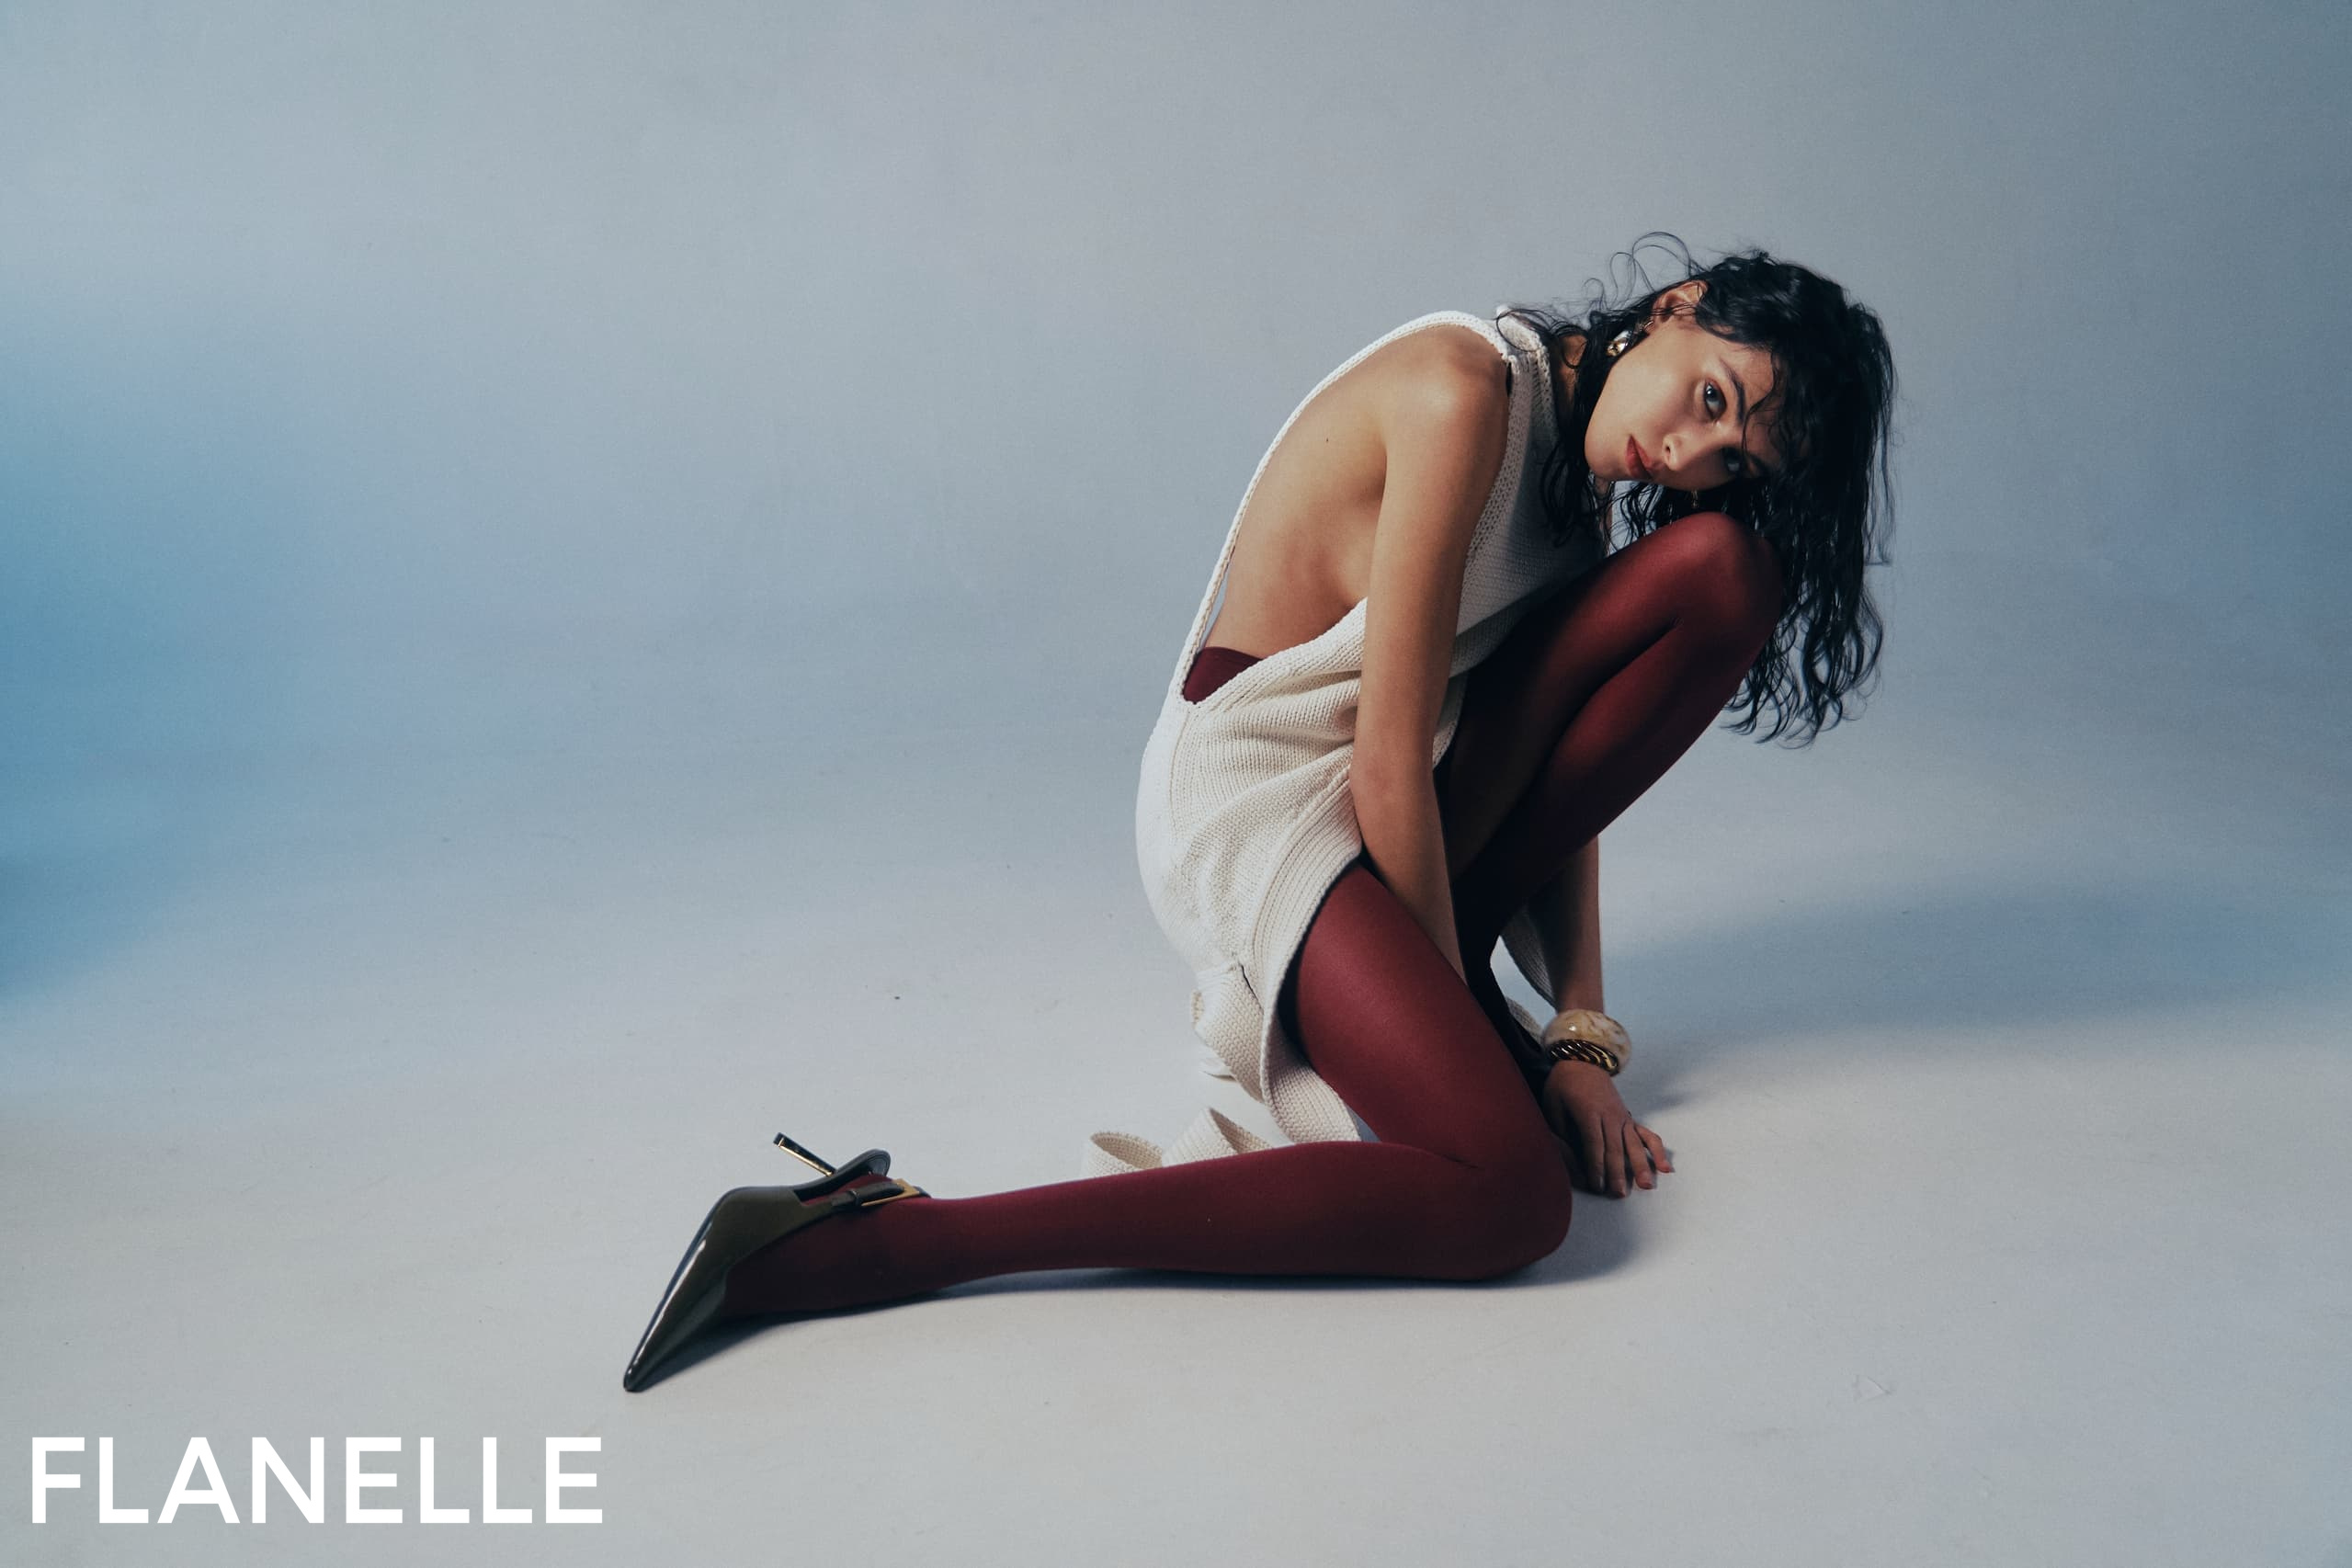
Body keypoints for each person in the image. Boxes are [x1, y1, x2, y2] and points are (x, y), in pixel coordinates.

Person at [622, 233, 1898, 1393]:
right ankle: (893, 1239)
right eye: (1711, 399)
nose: (1684, 454)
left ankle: (1455, 1024)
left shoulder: (1584, 488)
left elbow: (1559, 771)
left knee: (1724, 571)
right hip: (1255, 800)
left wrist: (1575, 1033)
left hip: (1388, 803)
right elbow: (1388, 766)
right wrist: (1477, 1030)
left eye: (1728, 457)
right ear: (1676, 307)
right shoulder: (1466, 393)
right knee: (1510, 1197)